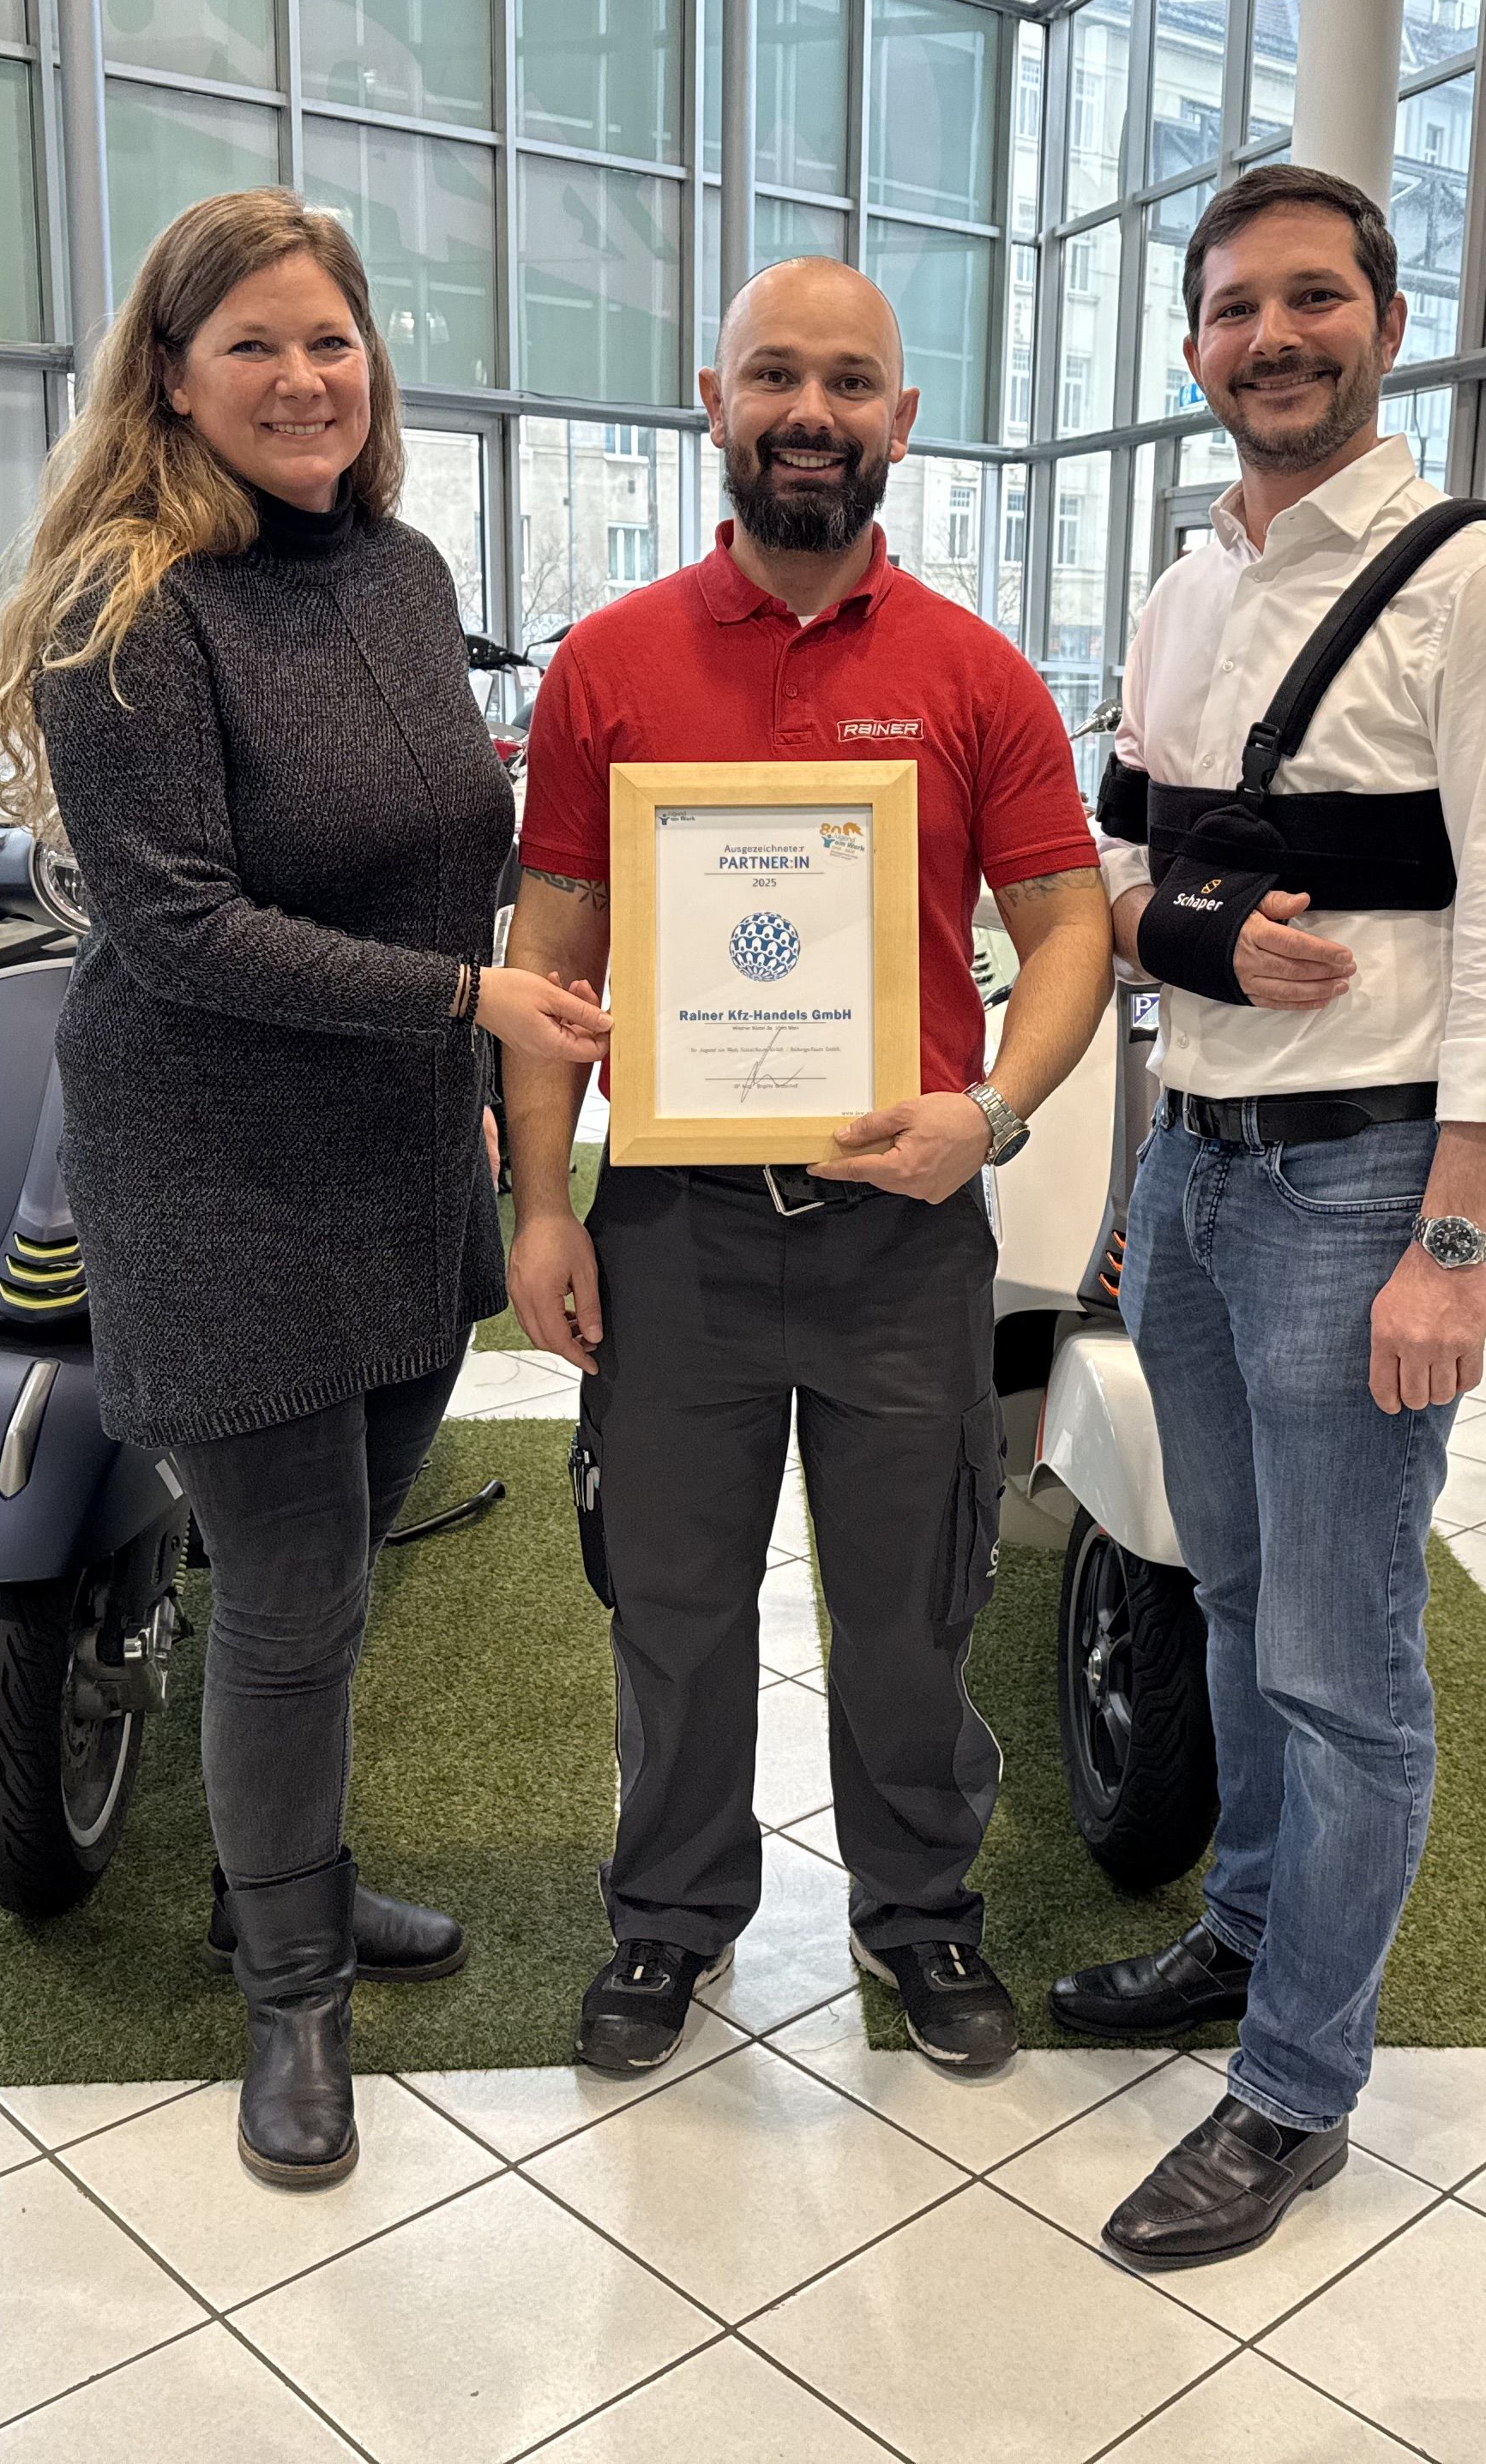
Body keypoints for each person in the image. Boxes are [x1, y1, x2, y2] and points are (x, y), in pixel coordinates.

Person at [0, 191, 611, 2191]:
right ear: (171, 376)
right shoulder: (129, 602)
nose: (304, 376)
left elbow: (448, 854)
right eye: (252, 342)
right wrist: (469, 1000)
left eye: (330, 338)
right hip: (217, 1168)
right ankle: (291, 1990)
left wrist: (491, 1048)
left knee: (345, 1568)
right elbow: (175, 928)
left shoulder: (404, 575)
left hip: (394, 1152)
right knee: (291, 1593)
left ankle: (281, 1883)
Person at [1058, 162, 1486, 2266]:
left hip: (1367, 1181)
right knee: (1224, 1596)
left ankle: (1296, 2088)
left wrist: (1457, 1241)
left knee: (1344, 1659)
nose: (1270, 339)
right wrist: (1197, 941)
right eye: (1233, 309)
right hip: (1197, 1169)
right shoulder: (1187, 589)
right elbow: (1119, 878)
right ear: (1194, 344)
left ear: (1385, 318)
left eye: (1311, 300)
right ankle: (1246, 1933)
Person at [503, 257, 1112, 2078]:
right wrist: (542, 1203)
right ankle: (670, 1914)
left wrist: (992, 1111)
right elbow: (550, 952)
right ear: (714, 400)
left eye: (850, 383)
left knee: (913, 1612)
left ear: (900, 421)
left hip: (901, 1232)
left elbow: (1069, 927)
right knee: (672, 1605)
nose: (810, 413)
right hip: (673, 1228)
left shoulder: (975, 674)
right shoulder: (608, 665)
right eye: (774, 375)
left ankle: (920, 1913)